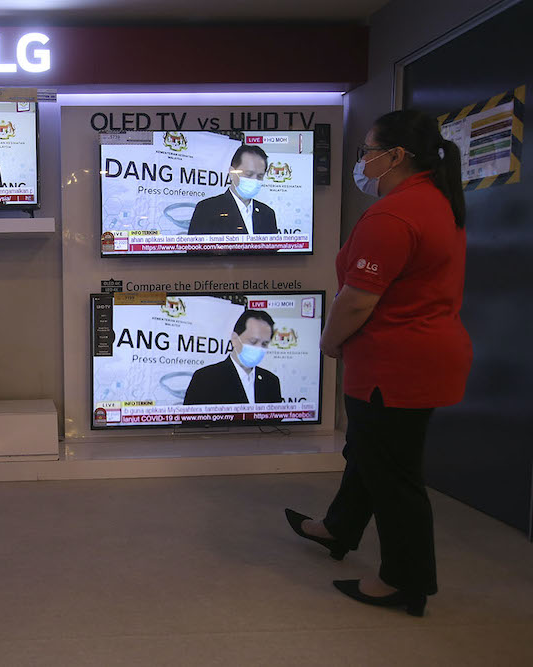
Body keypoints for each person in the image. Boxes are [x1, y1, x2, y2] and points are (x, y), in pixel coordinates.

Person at [285, 110, 471, 617]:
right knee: (369, 450)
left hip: (396, 364)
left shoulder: (395, 214)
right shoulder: (433, 202)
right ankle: (339, 528)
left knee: (394, 476)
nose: (363, 161)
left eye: (369, 150)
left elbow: (357, 299)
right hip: (419, 356)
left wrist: (327, 341)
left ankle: (404, 583)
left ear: (395, 156)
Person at [183, 309, 282, 405]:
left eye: (264, 344)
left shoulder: (271, 381)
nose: (258, 348)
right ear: (235, 339)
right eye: (253, 341)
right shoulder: (205, 378)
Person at [187, 144, 279, 236]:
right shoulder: (207, 209)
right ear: (232, 173)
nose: (254, 180)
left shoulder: (267, 214)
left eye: (260, 176)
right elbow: (195, 249)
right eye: (248, 174)